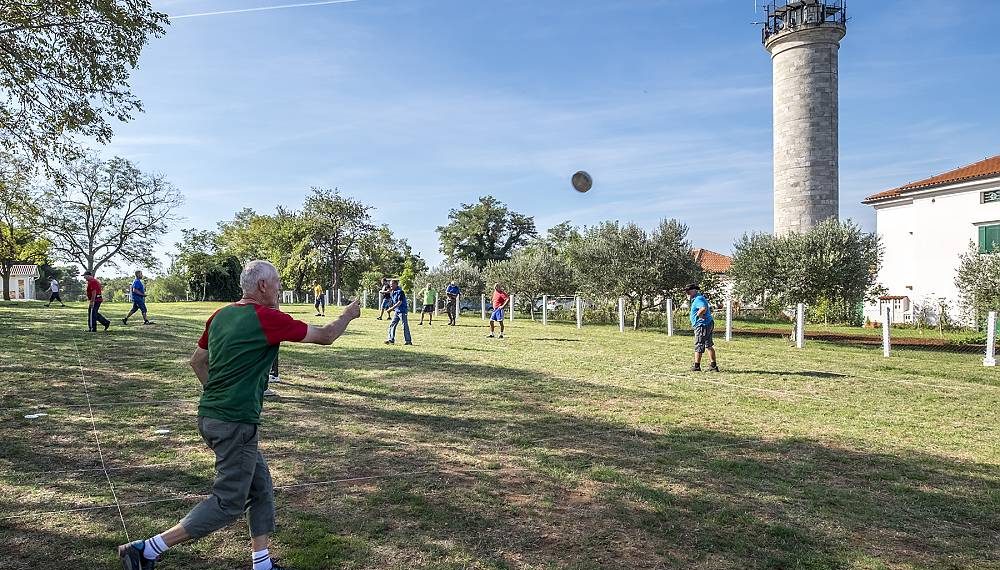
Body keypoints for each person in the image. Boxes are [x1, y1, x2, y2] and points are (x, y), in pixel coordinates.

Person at [117, 260, 361, 570]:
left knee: (260, 486)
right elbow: (326, 335)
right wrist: (348, 314)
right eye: (277, 282)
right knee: (228, 502)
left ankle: (262, 564)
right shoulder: (266, 318)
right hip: (235, 424)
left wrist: (218, 397)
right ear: (262, 286)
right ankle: (146, 549)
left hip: (209, 416)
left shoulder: (220, 316)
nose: (280, 287)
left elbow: (197, 362)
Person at [686, 283, 719, 372]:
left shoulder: (698, 299)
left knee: (699, 344)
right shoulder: (698, 298)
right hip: (707, 323)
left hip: (702, 325)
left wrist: (699, 315)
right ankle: (713, 366)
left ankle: (697, 366)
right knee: (709, 345)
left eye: (688, 291)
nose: (687, 293)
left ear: (694, 290)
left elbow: (703, 308)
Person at [385, 279, 412, 345]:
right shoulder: (393, 292)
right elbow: (393, 301)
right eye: (390, 285)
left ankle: (408, 341)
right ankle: (391, 339)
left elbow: (400, 302)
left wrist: (391, 309)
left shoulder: (400, 292)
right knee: (392, 324)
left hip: (402, 311)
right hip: (397, 311)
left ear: (396, 284)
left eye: (392, 284)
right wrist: (390, 307)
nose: (391, 286)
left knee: (404, 325)